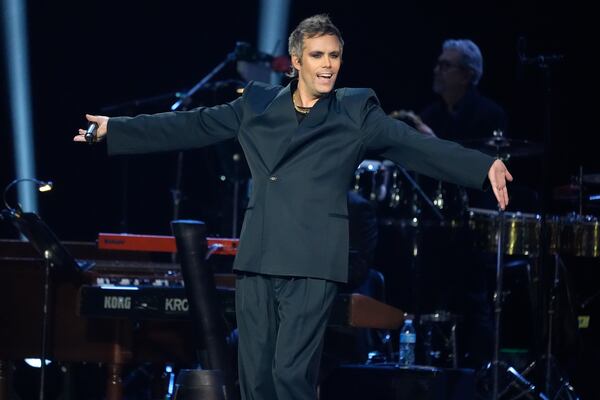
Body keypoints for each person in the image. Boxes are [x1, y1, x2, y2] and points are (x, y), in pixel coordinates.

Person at [75, 14, 512, 400]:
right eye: (318, 55)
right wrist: (115, 130)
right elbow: (192, 125)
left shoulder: (355, 109)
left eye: (335, 55)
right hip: (260, 255)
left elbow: (412, 145)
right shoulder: (258, 103)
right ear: (296, 61)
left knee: (289, 377)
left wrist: (481, 166)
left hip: (312, 260)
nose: (328, 64)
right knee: (256, 378)